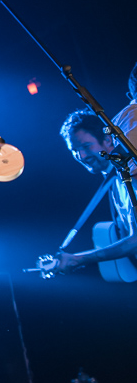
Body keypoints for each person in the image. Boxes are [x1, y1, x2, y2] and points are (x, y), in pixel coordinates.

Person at [56, 66, 137, 272]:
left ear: (107, 140)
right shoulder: (115, 179)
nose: (81, 156)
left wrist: (77, 259)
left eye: (85, 146)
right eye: (75, 151)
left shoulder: (130, 174)